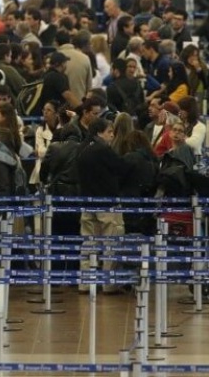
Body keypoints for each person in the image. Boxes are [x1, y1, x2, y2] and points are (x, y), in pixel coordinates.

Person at [76, 118, 129, 294]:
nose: (112, 135)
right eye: (109, 132)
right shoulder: (103, 150)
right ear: (99, 132)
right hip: (106, 203)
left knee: (88, 244)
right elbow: (121, 168)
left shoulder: (82, 148)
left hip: (86, 202)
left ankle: (86, 282)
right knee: (109, 244)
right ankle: (109, 284)